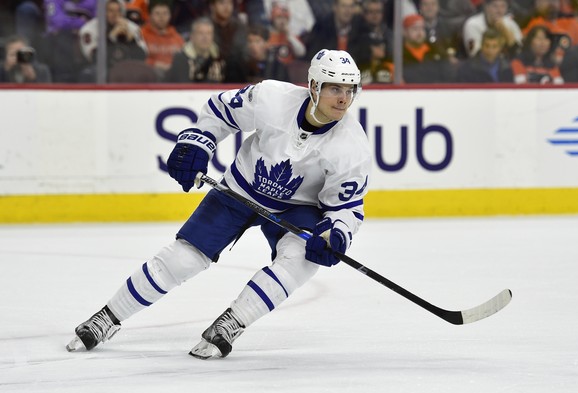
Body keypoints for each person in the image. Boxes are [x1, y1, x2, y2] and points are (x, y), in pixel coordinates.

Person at [66, 48, 371, 360]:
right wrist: (197, 139)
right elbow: (221, 111)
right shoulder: (272, 98)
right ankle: (107, 317)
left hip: (298, 206)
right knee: (184, 258)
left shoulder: (352, 147)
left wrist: (336, 234)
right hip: (242, 189)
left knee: (302, 259)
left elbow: (345, 207)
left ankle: (231, 323)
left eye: (350, 90)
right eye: (335, 88)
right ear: (314, 87)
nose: (344, 99)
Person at [78, 0, 150, 82]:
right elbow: (95, 58)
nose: (115, 15)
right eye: (110, 11)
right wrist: (111, 37)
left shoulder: (132, 27)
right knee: (92, 73)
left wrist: (131, 40)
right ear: (102, 12)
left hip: (126, 67)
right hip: (100, 68)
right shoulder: (90, 29)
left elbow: (142, 56)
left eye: (118, 11)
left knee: (144, 71)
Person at [164, 16, 226, 82]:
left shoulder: (221, 58)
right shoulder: (180, 60)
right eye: (200, 33)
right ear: (192, 36)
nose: (205, 37)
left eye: (209, 33)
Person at [402, 14, 456, 83]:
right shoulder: (398, 55)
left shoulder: (435, 51)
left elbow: (449, 77)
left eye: (422, 28)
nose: (420, 33)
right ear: (405, 32)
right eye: (415, 29)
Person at [226, 24, 290, 82]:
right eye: (250, 41)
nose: (253, 45)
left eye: (257, 41)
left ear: (267, 43)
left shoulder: (277, 67)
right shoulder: (238, 65)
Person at [141, 1, 184, 80]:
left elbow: (183, 60)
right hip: (148, 78)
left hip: (173, 79)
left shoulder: (177, 37)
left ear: (170, 15)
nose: (161, 17)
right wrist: (154, 63)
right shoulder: (141, 35)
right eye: (157, 13)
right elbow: (136, 59)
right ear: (150, 15)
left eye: (165, 13)